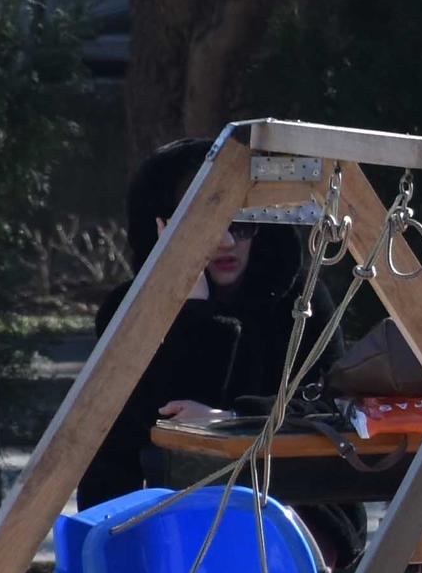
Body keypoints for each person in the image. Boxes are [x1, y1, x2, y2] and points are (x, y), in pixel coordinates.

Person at [79, 138, 306, 508]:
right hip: (163, 514)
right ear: (163, 228)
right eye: (205, 225)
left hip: (284, 501)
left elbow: (324, 405)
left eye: (243, 225)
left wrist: (235, 419)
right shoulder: (128, 309)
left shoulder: (300, 304)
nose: (226, 241)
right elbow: (142, 434)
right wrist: (194, 310)